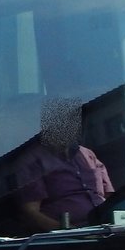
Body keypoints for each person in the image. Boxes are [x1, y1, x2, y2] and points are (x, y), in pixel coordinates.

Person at [14, 97, 114, 229]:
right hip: (66, 236)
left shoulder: (88, 155)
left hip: (102, 229)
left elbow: (110, 197)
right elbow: (31, 213)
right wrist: (66, 231)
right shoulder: (32, 160)